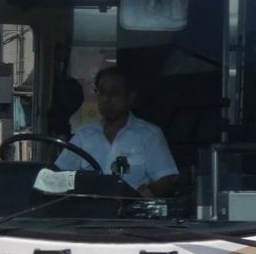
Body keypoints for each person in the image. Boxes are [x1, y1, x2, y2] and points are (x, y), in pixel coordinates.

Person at [56, 66, 178, 198]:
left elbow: (167, 179)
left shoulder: (149, 134)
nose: (106, 99)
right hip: (88, 214)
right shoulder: (84, 135)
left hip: (128, 216)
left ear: (130, 97)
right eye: (101, 92)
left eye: (114, 93)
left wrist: (138, 197)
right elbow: (58, 174)